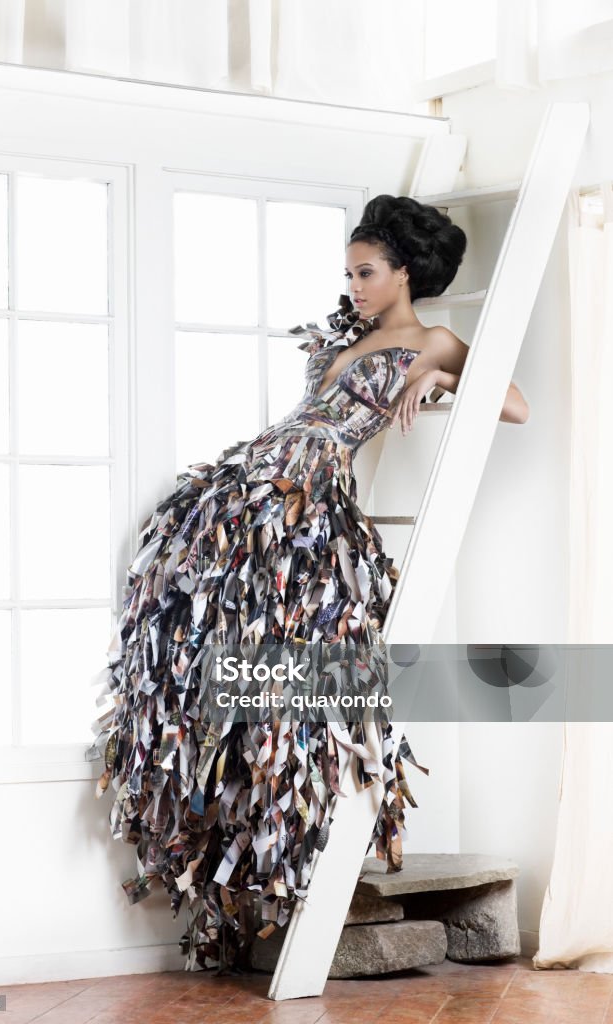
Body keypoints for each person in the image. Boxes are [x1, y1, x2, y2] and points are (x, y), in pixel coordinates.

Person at [86, 194, 529, 974]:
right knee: (185, 614)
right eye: (349, 273)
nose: (354, 285)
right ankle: (219, 815)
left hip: (309, 494)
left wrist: (436, 374)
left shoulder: (434, 338)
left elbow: (518, 405)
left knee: (289, 642)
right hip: (258, 475)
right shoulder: (349, 335)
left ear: (404, 273)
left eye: (367, 272)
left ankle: (284, 837)